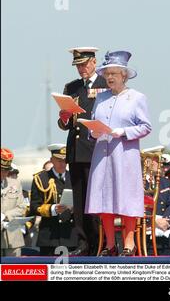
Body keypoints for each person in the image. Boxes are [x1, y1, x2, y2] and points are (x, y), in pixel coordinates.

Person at [85, 50, 152, 257]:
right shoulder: (101, 97)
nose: (110, 77)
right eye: (107, 74)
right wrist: (93, 131)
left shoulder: (136, 98)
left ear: (124, 74)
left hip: (124, 155)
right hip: (102, 155)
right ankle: (109, 244)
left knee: (126, 198)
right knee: (103, 198)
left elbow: (146, 127)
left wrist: (122, 132)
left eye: (113, 73)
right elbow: (93, 124)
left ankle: (129, 243)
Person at [58, 47, 108, 256]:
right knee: (79, 200)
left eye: (84, 64)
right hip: (76, 149)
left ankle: (101, 242)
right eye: (78, 65)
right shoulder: (72, 87)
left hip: (95, 148)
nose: (81, 69)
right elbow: (65, 124)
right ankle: (83, 241)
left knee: (96, 198)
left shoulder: (105, 84)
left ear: (94, 62)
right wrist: (64, 118)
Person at [29, 144, 78, 256]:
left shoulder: (75, 177)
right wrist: (53, 209)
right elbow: (34, 206)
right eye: (59, 160)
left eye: (65, 160)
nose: (62, 163)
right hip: (49, 237)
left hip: (71, 236)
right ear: (51, 160)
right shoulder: (41, 178)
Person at [1, 148, 26, 257]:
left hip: (13, 238)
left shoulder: (15, 183)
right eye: (1, 169)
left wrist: (6, 215)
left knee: (14, 271)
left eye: (6, 170)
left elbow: (22, 207)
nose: (4, 173)